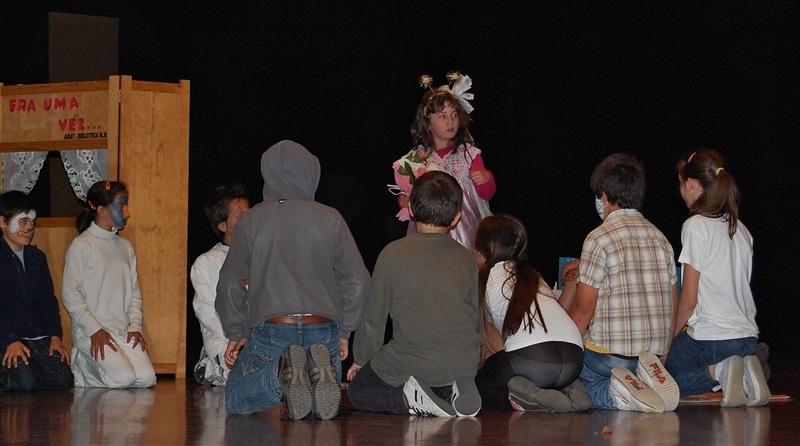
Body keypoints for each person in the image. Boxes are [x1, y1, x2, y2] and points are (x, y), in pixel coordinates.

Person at [215, 140, 370, 420]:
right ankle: (310, 376)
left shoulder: (251, 221)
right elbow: (358, 280)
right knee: (311, 408)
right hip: (323, 329)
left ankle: (280, 377)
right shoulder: (330, 217)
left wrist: (237, 331)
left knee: (237, 398)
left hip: (273, 328)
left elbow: (228, 282)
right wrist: (346, 331)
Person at [347, 171, 482, 418]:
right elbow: (475, 314)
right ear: (456, 218)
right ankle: (455, 387)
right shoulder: (466, 258)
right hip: (463, 360)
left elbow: (374, 316)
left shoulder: (393, 253)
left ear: (410, 208)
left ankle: (411, 399)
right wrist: (473, 361)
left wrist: (362, 359)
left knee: (359, 392)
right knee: (435, 373)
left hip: (415, 357)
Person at [564, 153, 680, 413]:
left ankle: (617, 393)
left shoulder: (598, 238)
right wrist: (663, 357)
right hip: (653, 355)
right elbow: (674, 304)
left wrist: (565, 351)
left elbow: (583, 310)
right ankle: (645, 379)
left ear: (603, 195)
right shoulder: (661, 239)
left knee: (578, 384)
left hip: (610, 356)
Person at [665, 149, 769, 407]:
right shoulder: (741, 229)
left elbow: (688, 300)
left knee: (662, 380)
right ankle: (744, 372)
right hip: (747, 337)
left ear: (690, 184)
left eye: (680, 184)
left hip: (714, 338)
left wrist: (665, 343)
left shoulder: (696, 226)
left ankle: (720, 372)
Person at [473, 215, 590, 412]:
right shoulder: (533, 276)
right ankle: (567, 388)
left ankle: (532, 396)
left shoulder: (487, 278)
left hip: (533, 363)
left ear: (482, 250)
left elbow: (484, 338)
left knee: (479, 387)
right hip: (574, 360)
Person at [62, 180, 157, 388]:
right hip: (93, 333)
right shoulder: (82, 245)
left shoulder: (125, 247)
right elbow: (71, 295)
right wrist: (94, 330)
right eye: (121, 207)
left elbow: (134, 292)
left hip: (121, 331)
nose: (127, 213)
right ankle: (82, 366)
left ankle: (111, 361)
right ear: (102, 210)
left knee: (147, 378)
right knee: (123, 379)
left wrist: (135, 326)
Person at [395, 73, 495, 252]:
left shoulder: (468, 153)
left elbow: (487, 195)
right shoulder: (416, 158)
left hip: (467, 231)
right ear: (428, 123)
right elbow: (412, 196)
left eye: (454, 115)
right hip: (431, 234)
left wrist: (486, 179)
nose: (451, 121)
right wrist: (404, 200)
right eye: (443, 116)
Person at [1, 190, 73, 391]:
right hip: (5, 337)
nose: (29, 228)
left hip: (35, 336)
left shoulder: (37, 257)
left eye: (32, 222)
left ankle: (27, 370)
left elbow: (47, 301)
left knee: (63, 378)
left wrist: (55, 336)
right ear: (3, 222)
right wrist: (10, 340)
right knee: (24, 381)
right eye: (22, 222)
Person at [191, 184, 250, 386]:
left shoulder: (261, 257)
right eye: (239, 216)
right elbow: (206, 311)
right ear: (222, 225)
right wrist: (236, 337)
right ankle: (210, 364)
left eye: (248, 214)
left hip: (254, 339)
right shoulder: (206, 262)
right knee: (240, 380)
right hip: (223, 339)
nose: (247, 220)